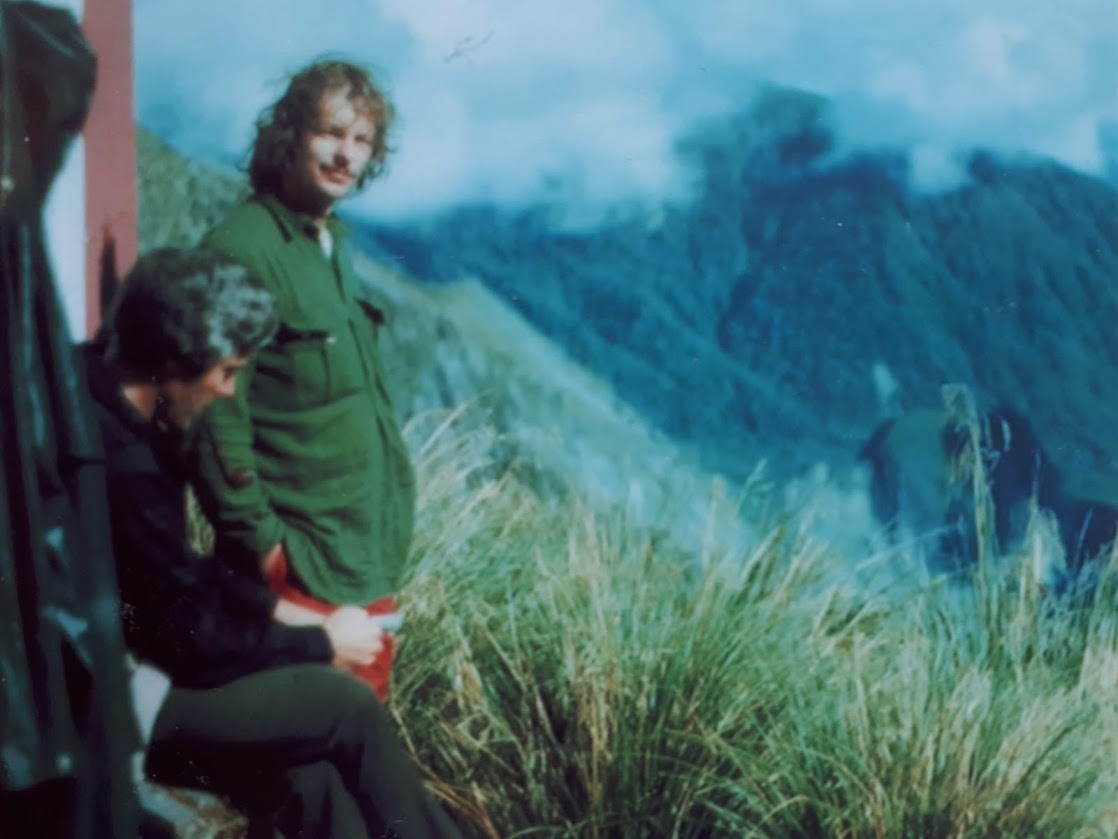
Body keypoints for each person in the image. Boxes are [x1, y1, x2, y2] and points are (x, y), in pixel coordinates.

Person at [86, 246, 460, 838]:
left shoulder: (95, 397)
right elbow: (192, 644)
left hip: (122, 673)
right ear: (176, 362)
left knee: (310, 777)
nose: (229, 392)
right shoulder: (128, 465)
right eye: (226, 372)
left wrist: (273, 609)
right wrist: (319, 644)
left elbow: (170, 575)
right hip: (116, 698)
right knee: (344, 705)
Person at [189, 58, 415, 701]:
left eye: (362, 140)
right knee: (314, 733)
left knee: (357, 730)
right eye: (330, 133)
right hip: (303, 566)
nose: (346, 155)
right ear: (290, 135)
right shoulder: (242, 250)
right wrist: (266, 550)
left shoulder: (331, 243)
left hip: (361, 556)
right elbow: (212, 417)